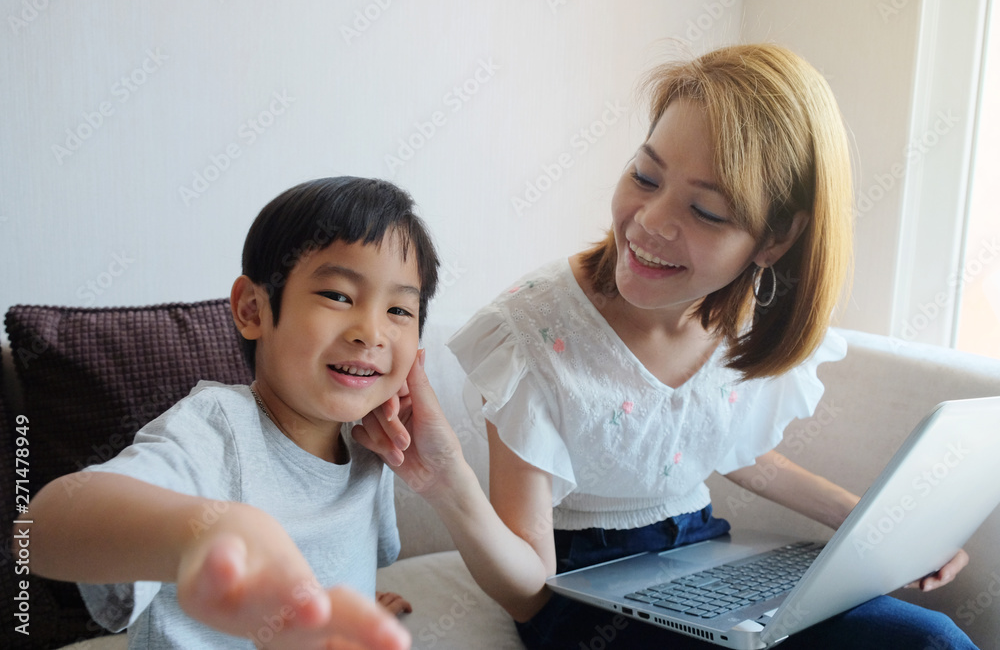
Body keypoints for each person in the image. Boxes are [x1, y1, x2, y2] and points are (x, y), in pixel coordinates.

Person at [355, 44, 977, 648]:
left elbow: (731, 449)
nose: (651, 220)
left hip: (705, 555)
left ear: (774, 240)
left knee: (931, 638)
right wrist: (447, 482)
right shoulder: (532, 332)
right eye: (645, 175)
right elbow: (528, 591)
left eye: (705, 211)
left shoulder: (740, 314)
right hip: (580, 590)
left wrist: (877, 525)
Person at [21, 176, 442, 649]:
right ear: (251, 309)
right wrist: (208, 530)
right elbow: (41, 529)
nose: (371, 332)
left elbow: (345, 562)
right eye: (338, 296)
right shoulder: (217, 430)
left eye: (400, 311)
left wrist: (349, 603)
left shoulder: (371, 442)